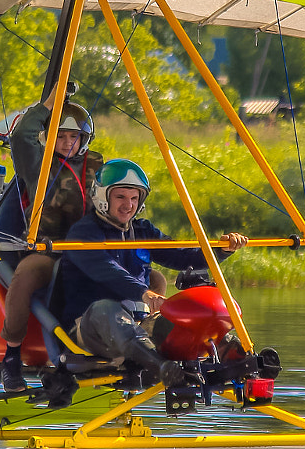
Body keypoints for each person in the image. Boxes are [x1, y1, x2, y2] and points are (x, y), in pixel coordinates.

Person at [56, 158, 248, 386]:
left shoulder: (143, 230)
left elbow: (184, 256)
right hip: (89, 329)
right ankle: (160, 367)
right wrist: (145, 294)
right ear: (102, 197)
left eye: (134, 198)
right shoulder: (83, 233)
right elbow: (107, 270)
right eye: (120, 197)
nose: (128, 205)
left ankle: (240, 359)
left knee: (197, 312)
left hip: (140, 326)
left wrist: (222, 249)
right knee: (105, 309)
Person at [0, 89, 99, 392]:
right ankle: (11, 357)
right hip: (48, 249)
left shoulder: (98, 170)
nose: (66, 144)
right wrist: (48, 105)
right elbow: (22, 136)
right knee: (25, 276)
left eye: (72, 138)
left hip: (90, 251)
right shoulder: (38, 165)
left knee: (149, 275)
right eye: (60, 137)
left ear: (83, 140)